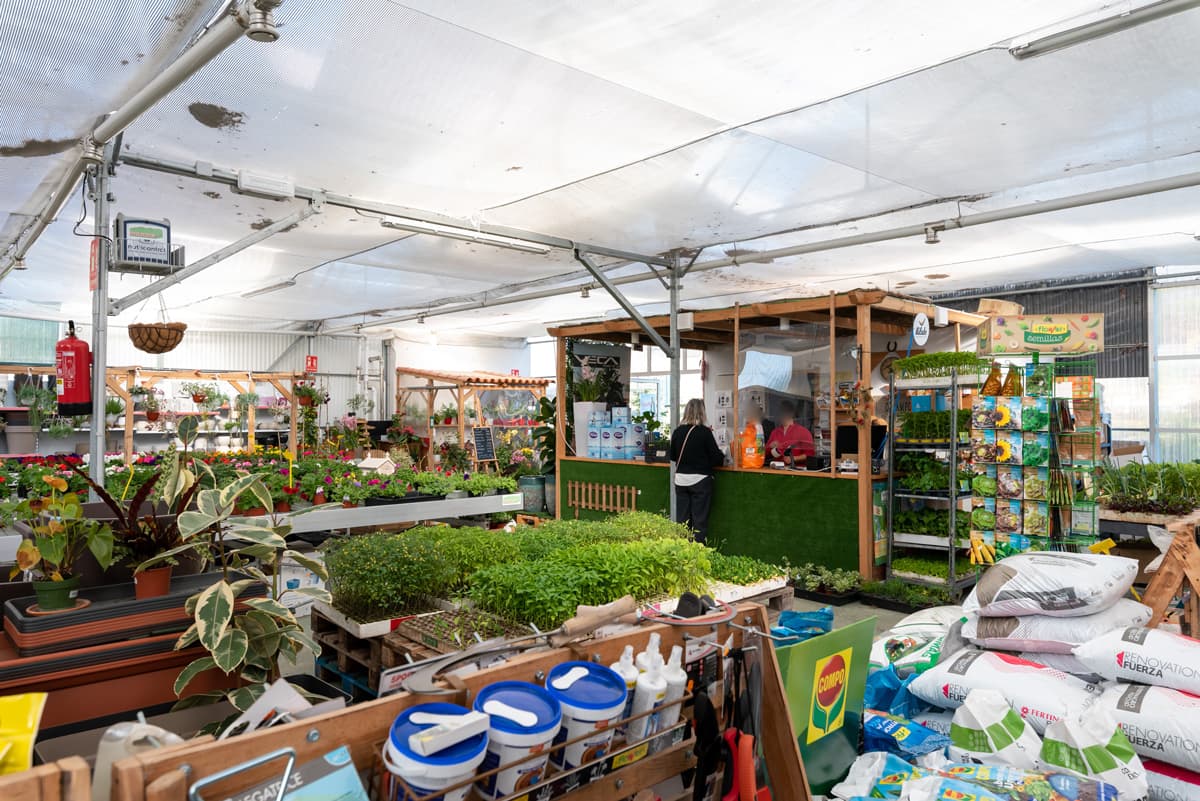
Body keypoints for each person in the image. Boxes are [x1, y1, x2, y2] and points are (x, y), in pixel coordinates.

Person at [670, 398, 725, 543]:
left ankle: (681, 552)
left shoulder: (677, 431)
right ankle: (697, 555)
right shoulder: (705, 433)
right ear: (702, 412)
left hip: (681, 481)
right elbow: (716, 459)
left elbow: (673, 456)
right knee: (699, 522)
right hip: (700, 482)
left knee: (682, 522)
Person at [766, 400, 815, 466]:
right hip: (777, 470)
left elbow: (810, 455)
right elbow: (765, 454)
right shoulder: (775, 432)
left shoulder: (803, 432)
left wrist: (794, 459)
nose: (781, 414)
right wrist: (770, 446)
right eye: (780, 411)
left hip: (796, 472)